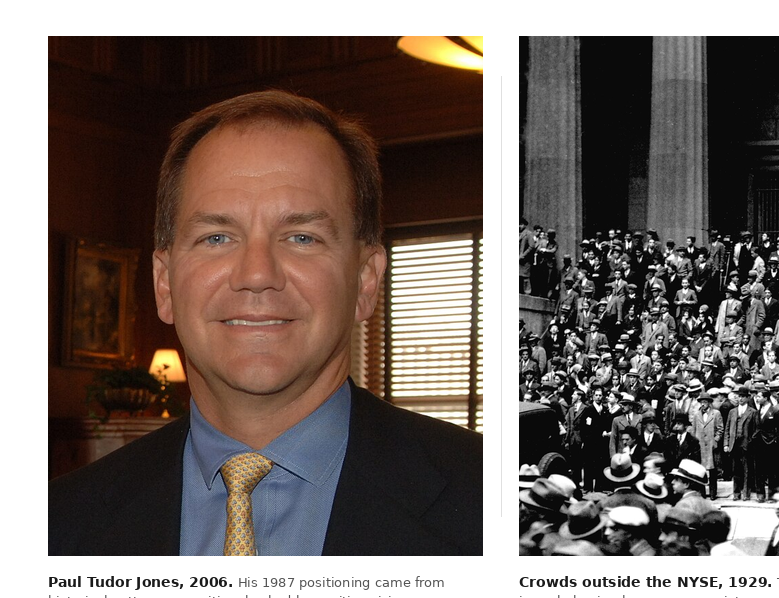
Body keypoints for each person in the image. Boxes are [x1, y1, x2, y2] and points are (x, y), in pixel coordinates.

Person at [50, 90, 481, 556]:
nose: (257, 274)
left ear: (364, 281)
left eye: (301, 237)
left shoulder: (490, 502)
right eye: (216, 237)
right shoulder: (57, 525)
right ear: (164, 284)